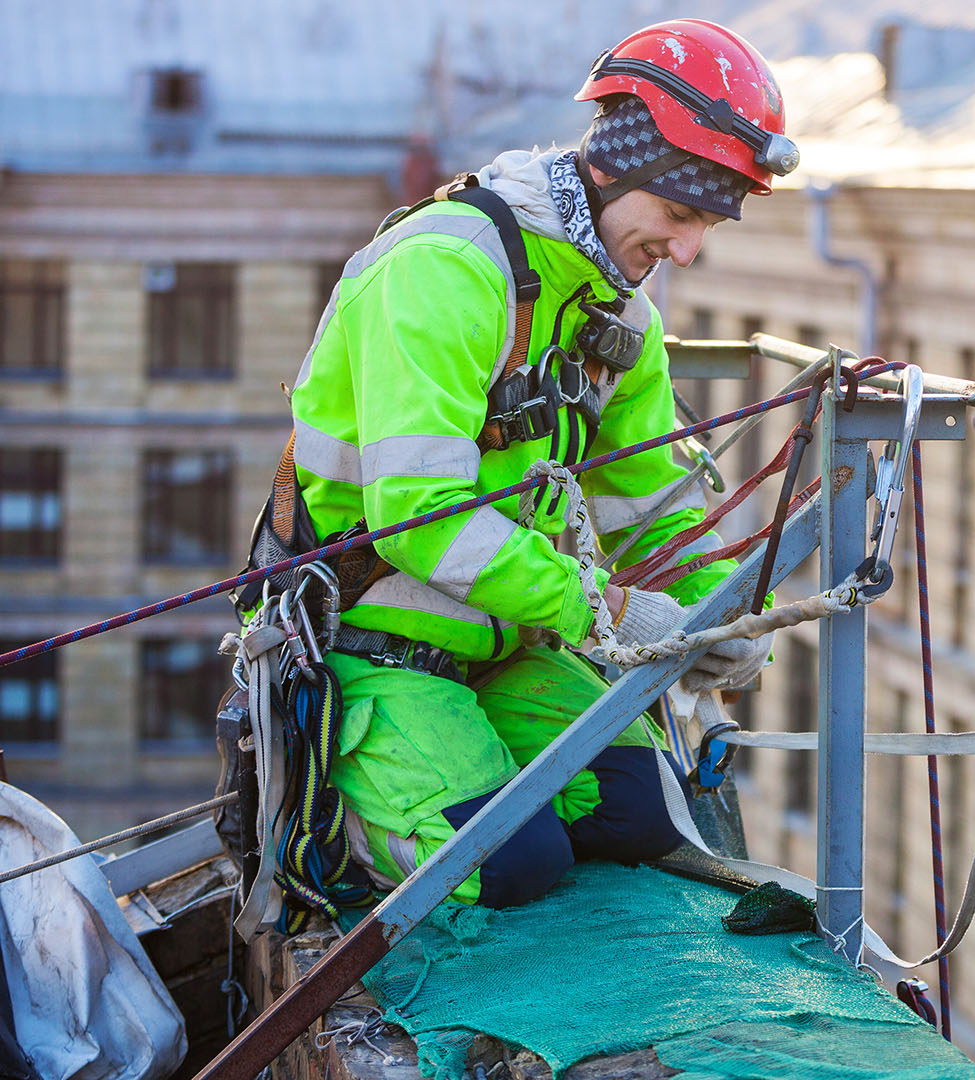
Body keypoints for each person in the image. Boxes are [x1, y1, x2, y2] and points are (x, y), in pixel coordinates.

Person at [278, 19, 794, 908]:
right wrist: (614, 613)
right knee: (514, 863)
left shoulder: (616, 316)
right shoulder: (445, 270)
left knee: (644, 817)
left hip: (509, 646)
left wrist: (725, 613)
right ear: (612, 170)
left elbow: (651, 508)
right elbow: (421, 520)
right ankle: (346, 812)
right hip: (373, 648)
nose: (685, 252)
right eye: (678, 215)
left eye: (704, 225)